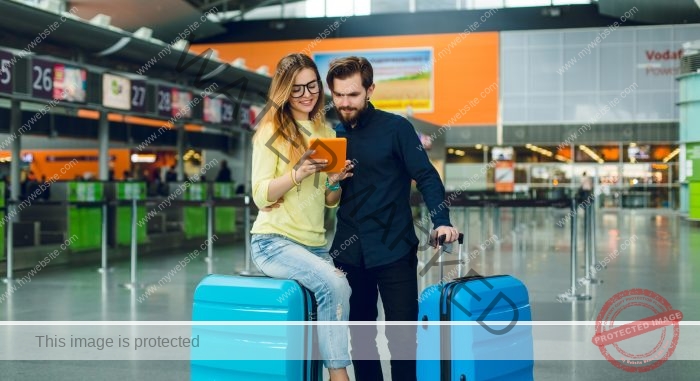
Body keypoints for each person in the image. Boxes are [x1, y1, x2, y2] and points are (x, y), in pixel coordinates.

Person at [326, 56, 460, 381]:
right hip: (349, 252)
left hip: (394, 250)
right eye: (339, 95)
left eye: (353, 95)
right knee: (360, 339)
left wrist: (441, 220)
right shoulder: (332, 135)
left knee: (401, 339)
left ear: (370, 90)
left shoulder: (397, 128)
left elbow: (426, 176)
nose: (345, 103)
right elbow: (327, 193)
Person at [250, 53, 355, 381]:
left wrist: (335, 183)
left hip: (314, 244)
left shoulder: (327, 131)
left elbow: (328, 202)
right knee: (336, 284)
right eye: (296, 89)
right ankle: (339, 376)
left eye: (311, 86)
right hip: (273, 242)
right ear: (283, 91)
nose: (306, 94)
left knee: (337, 290)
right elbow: (260, 194)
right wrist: (296, 173)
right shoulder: (273, 129)